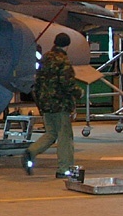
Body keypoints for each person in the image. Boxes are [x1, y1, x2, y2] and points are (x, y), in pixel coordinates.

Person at [23, 32, 83, 178]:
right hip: (59, 104)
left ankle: (31, 151)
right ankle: (65, 169)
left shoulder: (45, 58)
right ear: (67, 46)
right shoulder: (63, 61)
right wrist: (78, 92)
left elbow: (37, 81)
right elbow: (66, 83)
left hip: (45, 103)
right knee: (64, 136)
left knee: (51, 133)